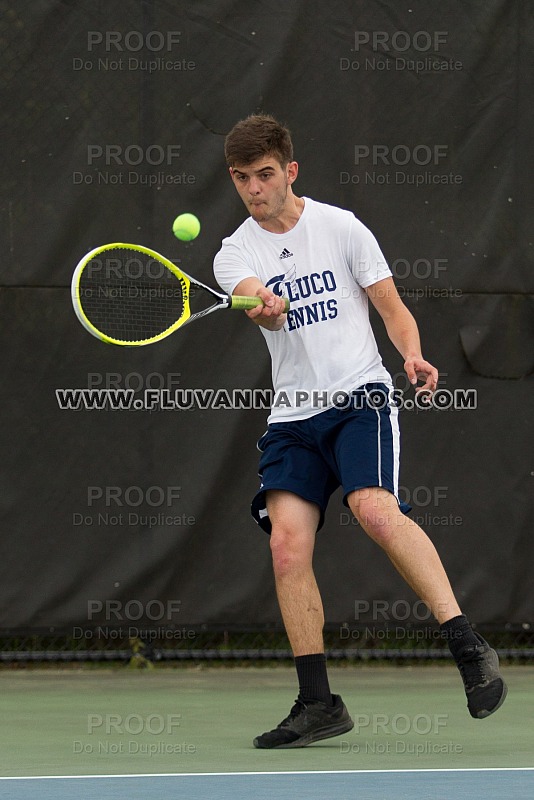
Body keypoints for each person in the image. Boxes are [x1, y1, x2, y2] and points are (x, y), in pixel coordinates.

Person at [213, 114, 507, 749]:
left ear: (290, 171)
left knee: (373, 508)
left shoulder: (341, 226)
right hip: (292, 416)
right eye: (242, 179)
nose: (254, 189)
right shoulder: (233, 251)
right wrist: (264, 308)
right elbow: (257, 304)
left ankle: (467, 645)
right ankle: (318, 702)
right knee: (287, 547)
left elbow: (391, 307)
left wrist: (412, 354)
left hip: (359, 395)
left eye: (265, 175)